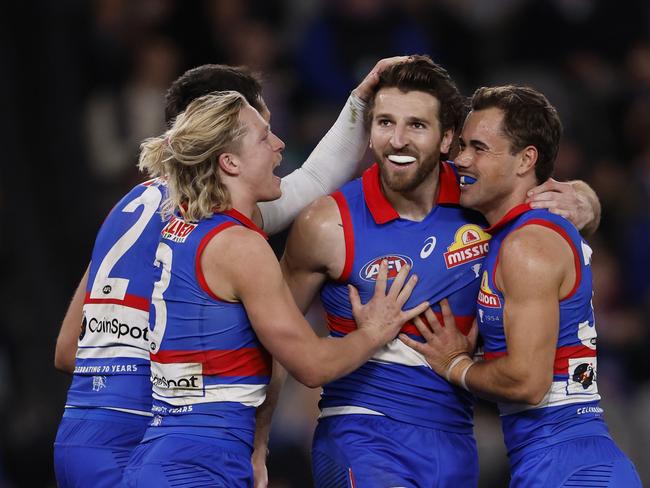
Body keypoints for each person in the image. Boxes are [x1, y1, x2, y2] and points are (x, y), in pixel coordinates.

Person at [53, 58, 407, 488]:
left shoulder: (130, 206)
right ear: (223, 148)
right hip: (149, 436)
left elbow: (68, 349)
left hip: (80, 435)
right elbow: (312, 181)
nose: (277, 144)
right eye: (261, 131)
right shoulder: (209, 224)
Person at [280, 56, 602, 487]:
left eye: (416, 125)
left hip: (455, 442)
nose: (397, 140)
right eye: (384, 123)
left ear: (447, 137)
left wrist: (585, 201)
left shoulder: (481, 198)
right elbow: (271, 336)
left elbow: (547, 199)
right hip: (362, 434)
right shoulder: (326, 224)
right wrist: (257, 441)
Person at [400, 85, 641, 487]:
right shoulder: (520, 231)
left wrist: (455, 365)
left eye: (478, 148)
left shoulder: (526, 245)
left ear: (526, 159)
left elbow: (528, 383)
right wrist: (586, 199)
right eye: (462, 145)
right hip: (562, 461)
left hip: (568, 468)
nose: (461, 159)